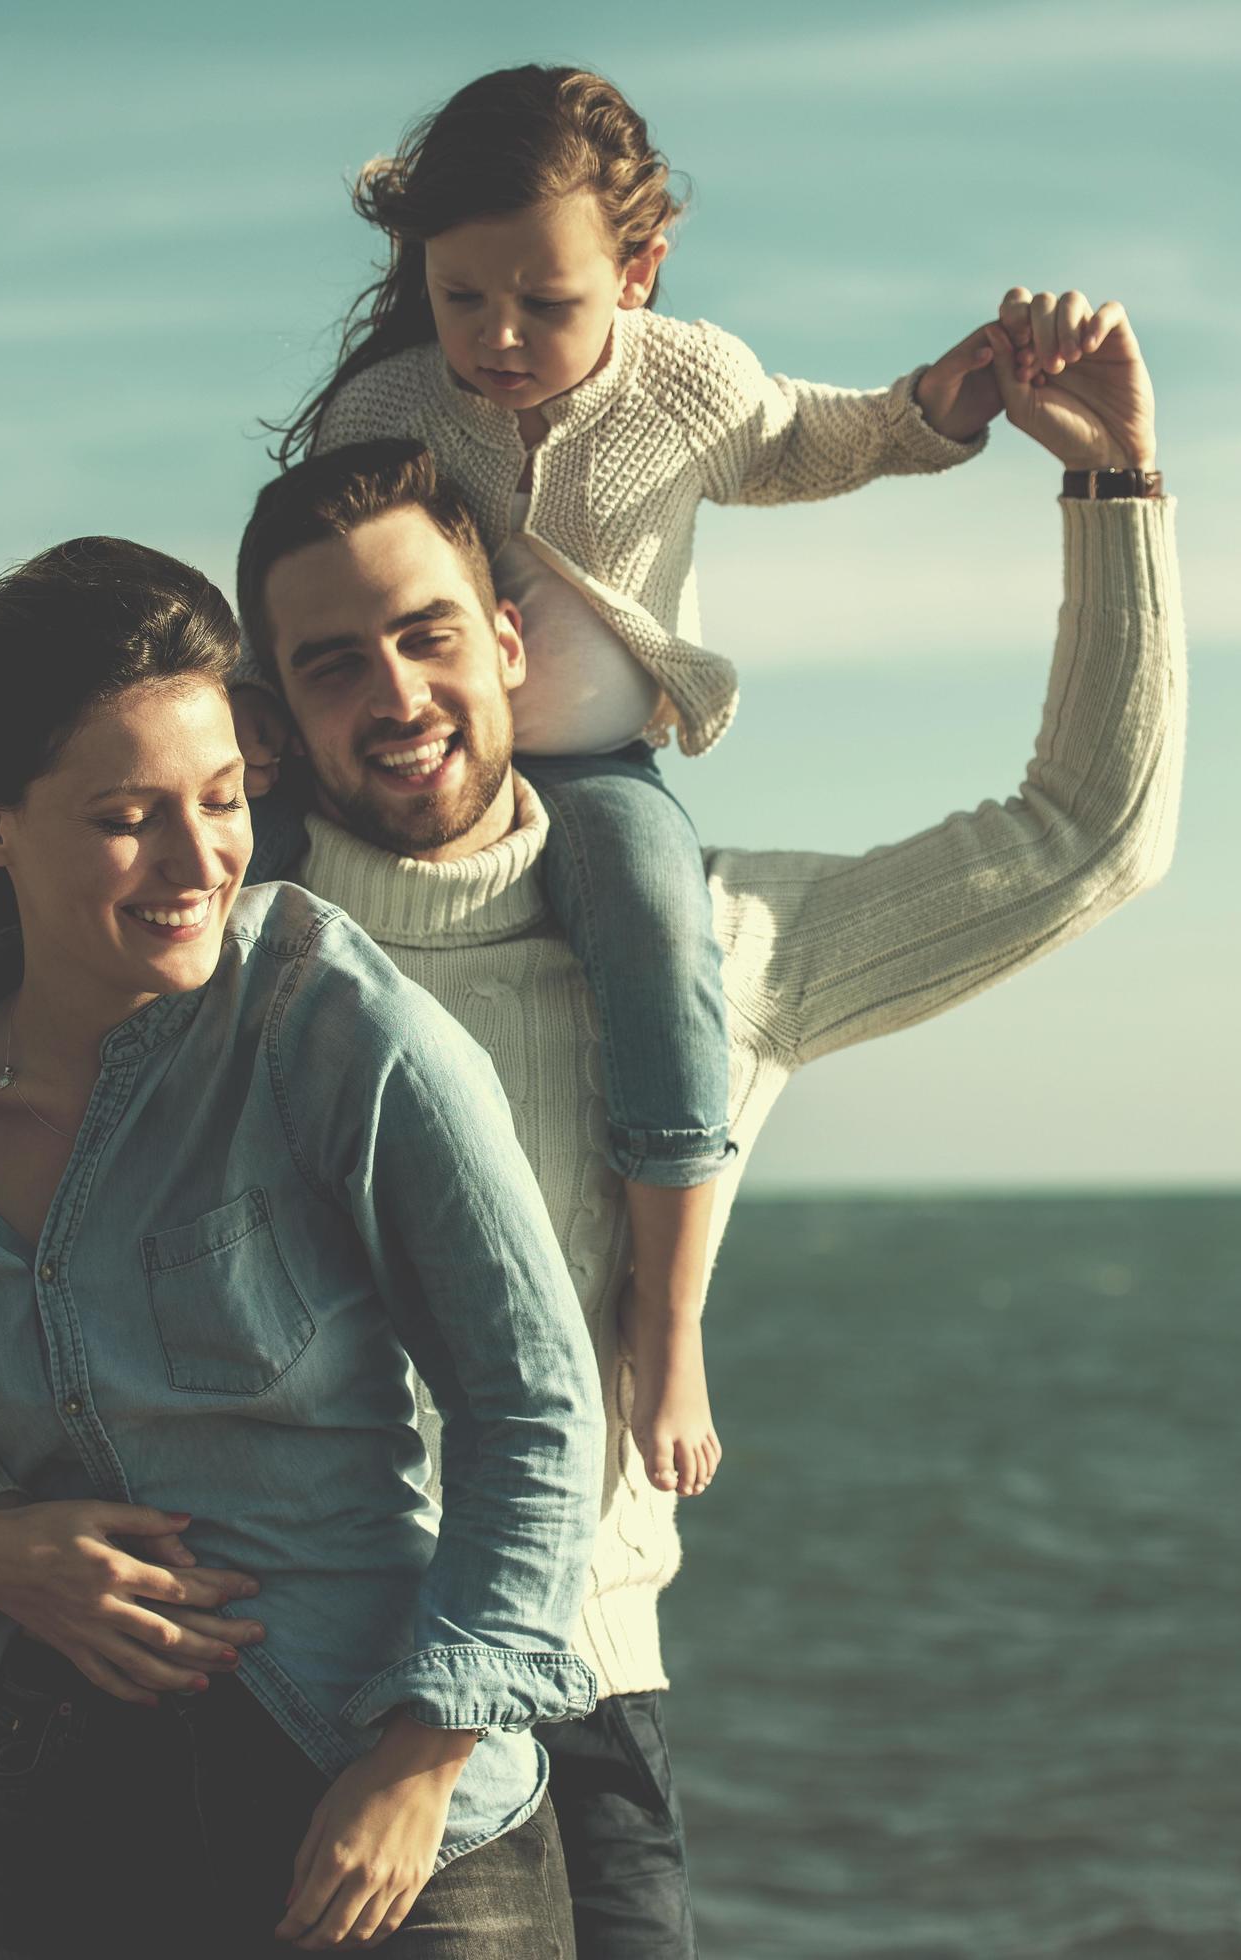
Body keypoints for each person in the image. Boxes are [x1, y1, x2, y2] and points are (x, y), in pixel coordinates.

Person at [175, 282, 1173, 1957]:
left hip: (584, 1697)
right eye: (334, 663)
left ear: (509, 640)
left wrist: (1117, 490)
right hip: (275, 1694)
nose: (397, 694)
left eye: (427, 634)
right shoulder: (205, 962)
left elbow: (1085, 839)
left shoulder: (701, 954)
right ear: (272, 713)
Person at [0, 536, 606, 1955]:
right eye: (128, 818)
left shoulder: (324, 1023)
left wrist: (423, 1760)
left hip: (386, 1811)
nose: (198, 862)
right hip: (78, 1818)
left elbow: (535, 1402)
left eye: (224, 800)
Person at [245, 65, 1023, 1504]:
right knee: (238, 880)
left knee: (663, 940)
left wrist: (937, 407)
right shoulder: (391, 405)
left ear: (638, 270)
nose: (496, 336)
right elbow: (315, 581)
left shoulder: (689, 381)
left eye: (544, 302)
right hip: (402, 767)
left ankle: (663, 1322)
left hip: (596, 769)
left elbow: (813, 438)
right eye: (460, 295)